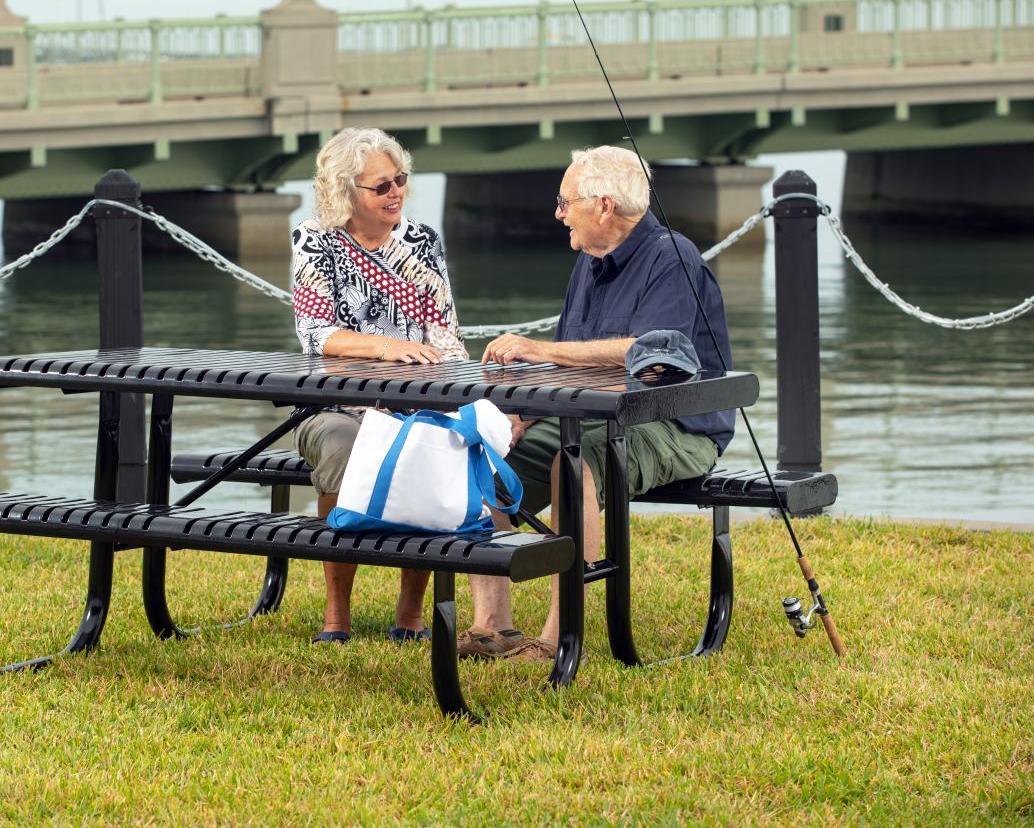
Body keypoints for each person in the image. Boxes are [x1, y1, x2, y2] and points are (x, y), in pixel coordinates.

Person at [461, 145, 736, 663]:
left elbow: (651, 356)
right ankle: (491, 625)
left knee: (574, 464)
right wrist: (523, 415)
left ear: (604, 205)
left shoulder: (671, 257)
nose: (558, 213)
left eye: (566, 202)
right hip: (586, 417)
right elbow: (573, 365)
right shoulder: (588, 262)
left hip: (675, 424)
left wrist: (539, 348)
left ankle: (560, 638)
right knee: (481, 461)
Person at [291, 127, 470, 644]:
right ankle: (336, 616)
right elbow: (315, 331)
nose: (396, 193)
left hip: (415, 401)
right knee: (343, 447)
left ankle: (410, 613)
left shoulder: (421, 243)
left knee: (430, 443)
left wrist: (449, 385)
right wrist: (382, 346)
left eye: (401, 181)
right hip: (336, 406)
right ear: (346, 192)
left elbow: (447, 336)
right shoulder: (316, 240)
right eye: (382, 186)